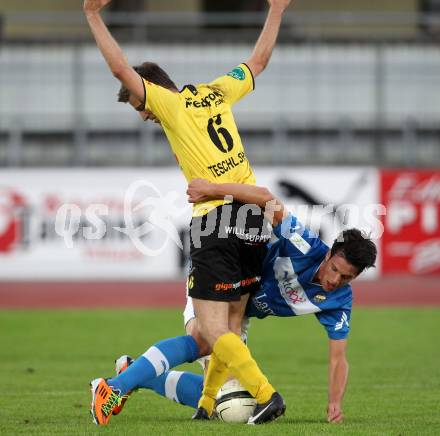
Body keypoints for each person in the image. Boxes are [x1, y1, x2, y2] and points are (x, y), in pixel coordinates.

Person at [83, 0, 293, 425]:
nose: (145, 117)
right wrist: (277, 9)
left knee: (211, 331)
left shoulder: (170, 106)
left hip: (215, 219)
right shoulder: (217, 91)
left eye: (141, 107)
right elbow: (258, 61)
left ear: (152, 91)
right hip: (251, 217)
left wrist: (91, 15)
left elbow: (122, 70)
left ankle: (266, 394)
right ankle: (192, 401)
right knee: (217, 332)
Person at [103, 180, 377, 424]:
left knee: (228, 401)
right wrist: (212, 189)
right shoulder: (302, 243)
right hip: (223, 275)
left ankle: (136, 372)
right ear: (330, 254)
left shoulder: (339, 301)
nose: (335, 280)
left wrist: (335, 403)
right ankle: (116, 386)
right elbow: (265, 197)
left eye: (346, 277)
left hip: (239, 311)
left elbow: (339, 358)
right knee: (205, 342)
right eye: (335, 270)